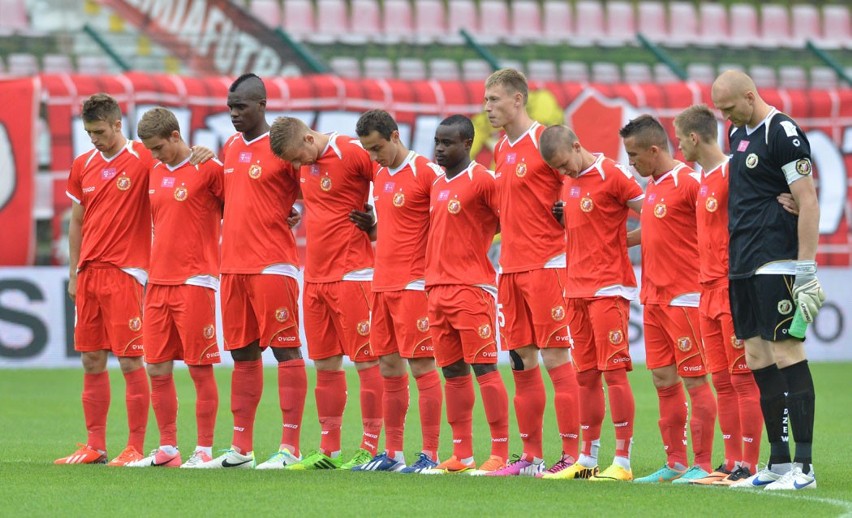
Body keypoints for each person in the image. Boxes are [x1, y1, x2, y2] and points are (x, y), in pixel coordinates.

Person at [712, 70, 824, 490]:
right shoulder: (737, 134)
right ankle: (777, 463)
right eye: (720, 111)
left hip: (775, 260)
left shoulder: (784, 132)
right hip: (741, 260)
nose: (725, 116)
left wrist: (806, 269)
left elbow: (807, 199)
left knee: (786, 351)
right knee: (757, 357)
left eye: (729, 107)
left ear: (749, 94)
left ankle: (805, 467)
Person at [197, 74, 307, 470]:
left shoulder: (284, 148)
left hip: (272, 265)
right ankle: (241, 448)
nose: (233, 114)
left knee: (286, 350)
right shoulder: (228, 147)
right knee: (243, 355)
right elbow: (235, 202)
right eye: (230, 107)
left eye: (240, 106)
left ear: (261, 104)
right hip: (233, 267)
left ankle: (289, 447)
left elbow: (310, 190)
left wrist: (294, 212)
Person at [269, 116, 383, 471]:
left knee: (366, 361)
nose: (298, 166)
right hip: (315, 278)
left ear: (308, 136)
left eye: (298, 157)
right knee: (325, 363)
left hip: (353, 275)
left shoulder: (351, 152)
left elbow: (392, 181)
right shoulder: (302, 163)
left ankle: (370, 447)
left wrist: (377, 222)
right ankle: (328, 450)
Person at [483, 68, 579, 477]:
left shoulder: (546, 142)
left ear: (518, 99)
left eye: (494, 99)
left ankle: (575, 458)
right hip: (510, 269)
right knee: (521, 362)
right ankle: (531, 457)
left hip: (548, 266)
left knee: (557, 357)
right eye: (486, 100)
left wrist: (568, 214)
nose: (488, 107)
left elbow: (579, 183)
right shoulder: (501, 149)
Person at [538, 125, 643, 482]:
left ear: (577, 145)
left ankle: (623, 462)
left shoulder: (612, 174)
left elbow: (657, 215)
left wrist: (621, 242)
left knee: (613, 374)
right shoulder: (568, 182)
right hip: (575, 290)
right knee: (585, 377)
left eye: (565, 163)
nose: (564, 172)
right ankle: (587, 458)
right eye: (558, 169)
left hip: (609, 289)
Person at [55, 93, 153, 466]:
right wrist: (73, 272)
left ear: (117, 124)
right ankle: (94, 445)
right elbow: (77, 221)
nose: (94, 138)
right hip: (89, 275)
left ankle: (135, 447)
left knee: (130, 360)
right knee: (91, 360)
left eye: (99, 131)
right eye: (88, 132)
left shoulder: (144, 158)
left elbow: (181, 170)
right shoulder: (83, 165)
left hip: (126, 273)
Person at [619, 115, 718, 484]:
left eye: (634, 155)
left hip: (686, 296)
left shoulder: (690, 182)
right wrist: (617, 240)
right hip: (654, 297)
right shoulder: (655, 186)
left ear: (655, 150)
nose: (631, 163)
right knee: (662, 379)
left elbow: (719, 221)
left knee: (694, 380)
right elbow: (656, 228)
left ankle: (704, 464)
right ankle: (675, 461)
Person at [673, 105, 764, 486]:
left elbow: (762, 207)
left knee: (743, 380)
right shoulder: (703, 179)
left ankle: (751, 463)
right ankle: (729, 462)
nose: (678, 146)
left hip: (732, 288)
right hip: (705, 290)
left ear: (694, 137)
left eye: (679, 138)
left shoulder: (732, 172)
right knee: (722, 381)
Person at [348, 110, 444, 473]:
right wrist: (372, 230)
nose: (374, 157)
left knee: (422, 364)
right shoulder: (380, 175)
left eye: (377, 148)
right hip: (381, 283)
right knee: (388, 366)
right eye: (368, 151)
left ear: (395, 135)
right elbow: (392, 230)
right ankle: (393, 453)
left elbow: (447, 227)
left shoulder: (426, 173)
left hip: (414, 284)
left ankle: (430, 454)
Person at [127, 107, 223, 468]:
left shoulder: (208, 168)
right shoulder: (152, 170)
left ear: (175, 136)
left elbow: (243, 206)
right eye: (149, 149)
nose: (154, 154)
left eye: (158, 147)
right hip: (158, 281)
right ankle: (168, 447)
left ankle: (204, 450)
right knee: (157, 367)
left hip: (195, 280)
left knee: (200, 368)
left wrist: (290, 213)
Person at [421, 115, 508, 476]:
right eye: (437, 142)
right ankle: (463, 455)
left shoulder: (483, 181)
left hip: (472, 288)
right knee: (453, 373)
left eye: (448, 143)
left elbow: (510, 219)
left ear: (467, 143)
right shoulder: (438, 184)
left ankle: (500, 453)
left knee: (484, 367)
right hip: (437, 290)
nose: (440, 149)